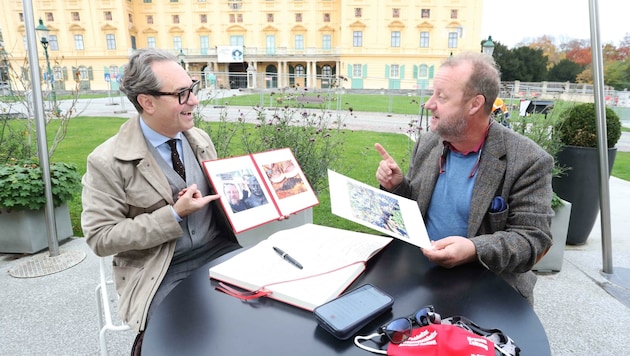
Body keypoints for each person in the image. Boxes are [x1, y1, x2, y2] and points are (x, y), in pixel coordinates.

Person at [81, 48, 241, 354]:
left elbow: (220, 202)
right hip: (160, 271)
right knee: (190, 343)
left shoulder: (200, 139)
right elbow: (100, 238)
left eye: (192, 88)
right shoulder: (106, 161)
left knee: (270, 308)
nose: (193, 100)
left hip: (222, 252)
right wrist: (173, 214)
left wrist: (261, 202)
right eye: (182, 94)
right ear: (147, 102)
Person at [375, 52, 553, 305]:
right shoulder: (428, 144)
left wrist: (473, 250)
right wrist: (396, 187)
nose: (429, 103)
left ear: (474, 104)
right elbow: (415, 208)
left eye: (442, 96)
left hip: (489, 290)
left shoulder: (528, 160)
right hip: (421, 276)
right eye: (433, 93)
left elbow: (532, 240)